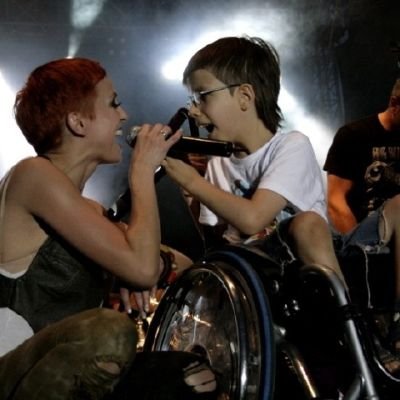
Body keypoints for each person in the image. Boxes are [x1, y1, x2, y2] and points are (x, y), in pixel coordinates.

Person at [0, 58, 217, 399]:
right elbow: (142, 267)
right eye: (113, 103)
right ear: (77, 121)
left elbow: (177, 265)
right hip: (9, 373)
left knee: (187, 374)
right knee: (110, 332)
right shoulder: (33, 175)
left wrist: (142, 267)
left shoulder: (88, 211)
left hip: (61, 378)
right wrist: (142, 170)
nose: (124, 115)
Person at [162, 36, 345, 287]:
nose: (193, 111)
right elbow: (216, 241)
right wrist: (190, 193)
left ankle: (344, 308)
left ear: (245, 96)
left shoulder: (291, 146)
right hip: (252, 278)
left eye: (202, 97)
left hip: (296, 274)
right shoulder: (217, 163)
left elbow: (253, 219)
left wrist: (191, 180)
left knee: (307, 224)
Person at [324, 78, 400, 360]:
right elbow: (335, 202)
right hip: (365, 234)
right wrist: (358, 251)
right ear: (395, 104)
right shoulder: (354, 135)